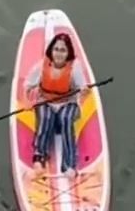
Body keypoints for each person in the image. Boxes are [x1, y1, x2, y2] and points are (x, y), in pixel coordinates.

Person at [25, 29, 89, 176]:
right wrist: (30, 101)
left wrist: (84, 92)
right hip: (46, 102)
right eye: (56, 49)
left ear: (68, 53)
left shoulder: (75, 68)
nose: (59, 54)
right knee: (45, 117)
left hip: (68, 103)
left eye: (63, 50)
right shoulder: (41, 66)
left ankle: (69, 165)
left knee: (66, 118)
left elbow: (82, 90)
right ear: (51, 51)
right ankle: (39, 158)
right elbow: (28, 85)